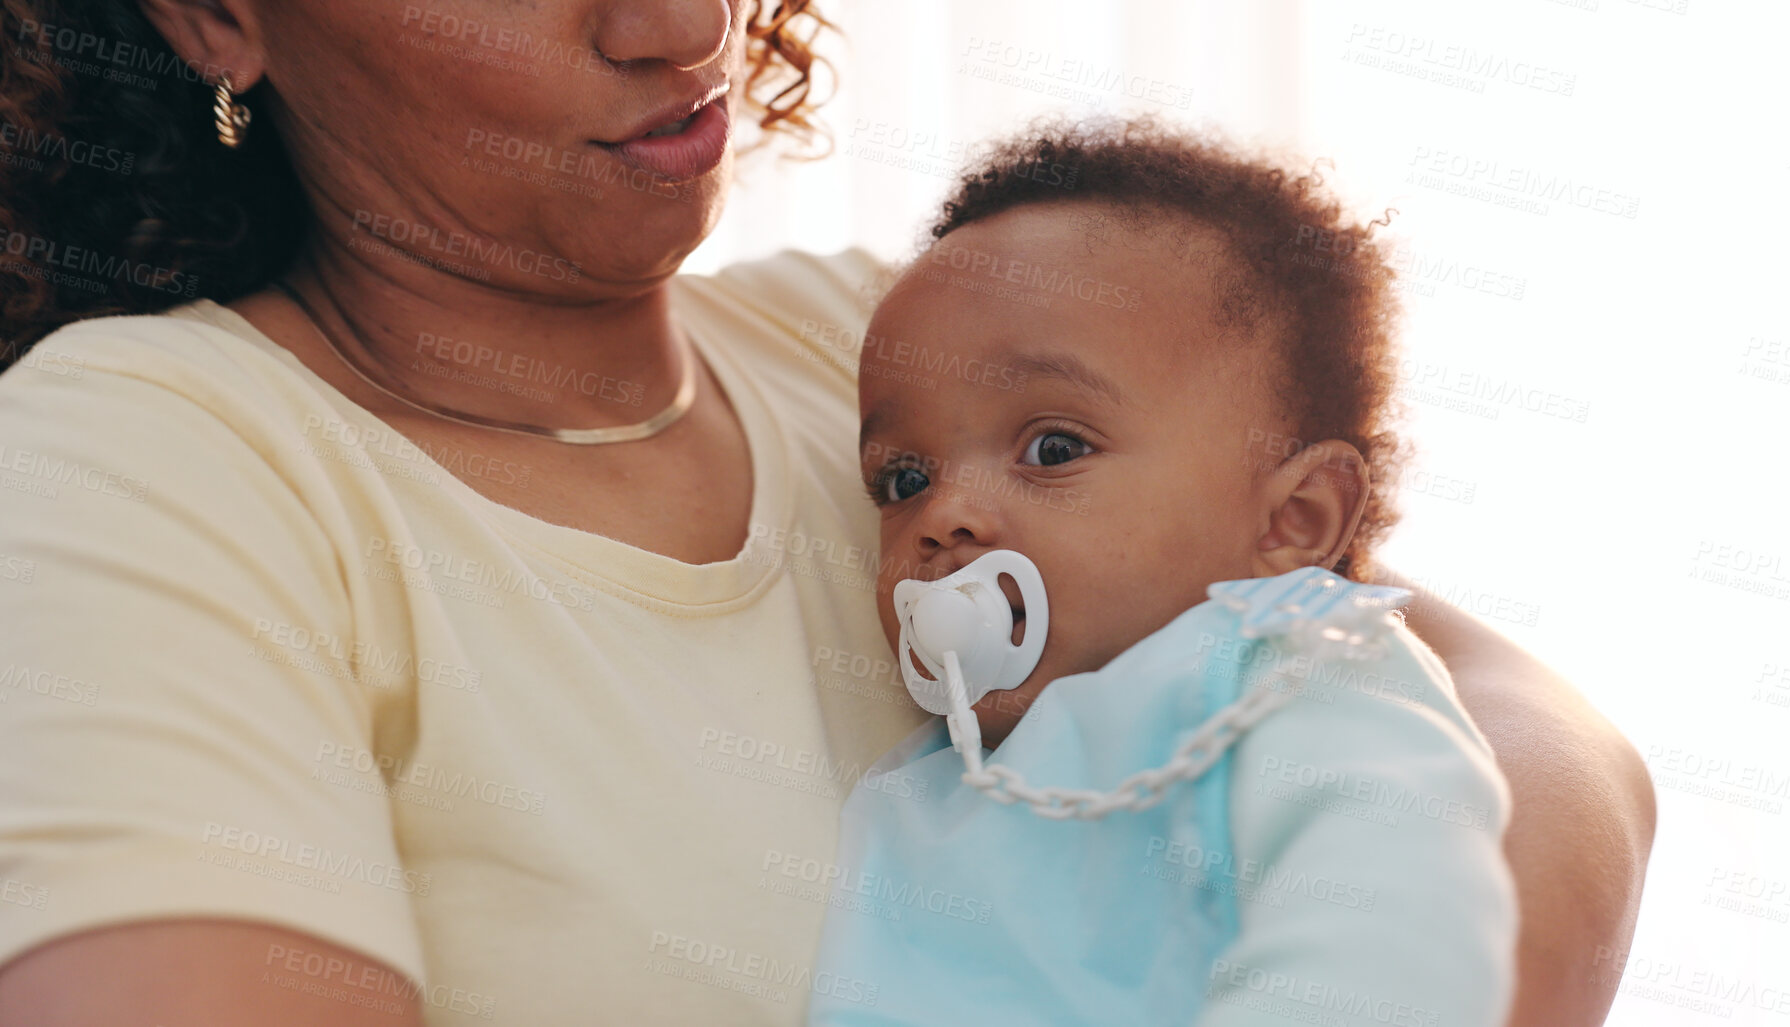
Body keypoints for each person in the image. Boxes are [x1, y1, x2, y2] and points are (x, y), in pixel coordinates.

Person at [0, 2, 1653, 1024]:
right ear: (216, 15)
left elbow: (1546, 743)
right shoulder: (146, 467)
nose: (670, 22)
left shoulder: (908, 361)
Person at [808, 118, 1518, 1026]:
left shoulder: (1296, 677)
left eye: (1053, 447)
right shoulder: (919, 785)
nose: (943, 514)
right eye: (903, 479)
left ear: (1292, 520)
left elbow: (1396, 940)